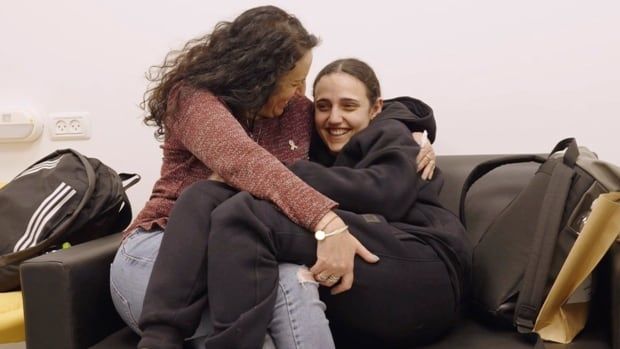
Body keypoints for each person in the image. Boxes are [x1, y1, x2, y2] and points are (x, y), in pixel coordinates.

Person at [108, 6, 436, 349]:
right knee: (276, 295)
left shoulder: (293, 110)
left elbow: (350, 111)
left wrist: (407, 130)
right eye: (294, 82)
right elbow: (246, 162)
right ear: (259, 77)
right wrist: (328, 222)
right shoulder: (192, 99)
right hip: (161, 247)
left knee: (293, 279)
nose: (300, 92)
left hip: (240, 248)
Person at [199, 58, 472, 348]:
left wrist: (283, 173)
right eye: (323, 106)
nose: (334, 118)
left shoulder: (390, 133)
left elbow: (385, 195)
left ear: (376, 108)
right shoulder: (314, 141)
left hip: (425, 262)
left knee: (247, 215)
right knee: (217, 201)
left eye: (349, 106)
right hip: (378, 262)